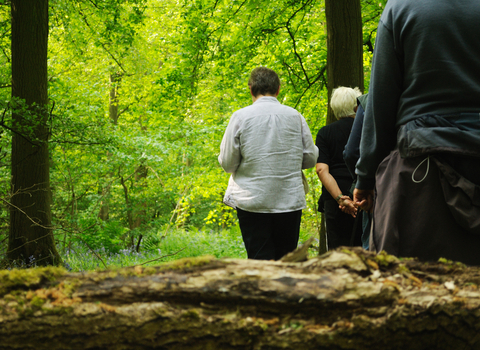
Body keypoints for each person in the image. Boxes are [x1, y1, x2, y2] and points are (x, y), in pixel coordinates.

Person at [354, 0, 480, 265]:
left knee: (406, 286)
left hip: (420, 178)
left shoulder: (401, 6)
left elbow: (381, 99)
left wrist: (365, 177)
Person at [218, 67, 318, 260]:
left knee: (258, 260)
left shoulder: (240, 117)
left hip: (251, 201)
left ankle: (263, 290)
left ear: (250, 89)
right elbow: (310, 158)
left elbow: (228, 163)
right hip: (289, 200)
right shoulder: (295, 116)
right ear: (278, 89)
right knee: (287, 260)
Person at [315, 87, 363, 250]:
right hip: (364, 195)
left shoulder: (325, 133)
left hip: (335, 202)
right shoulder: (366, 130)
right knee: (364, 251)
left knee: (337, 253)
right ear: (357, 107)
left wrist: (340, 198)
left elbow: (322, 170)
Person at [343, 93, 371, 250]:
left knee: (372, 245)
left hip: (376, 188)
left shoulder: (370, 100)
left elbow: (351, 153)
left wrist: (364, 183)